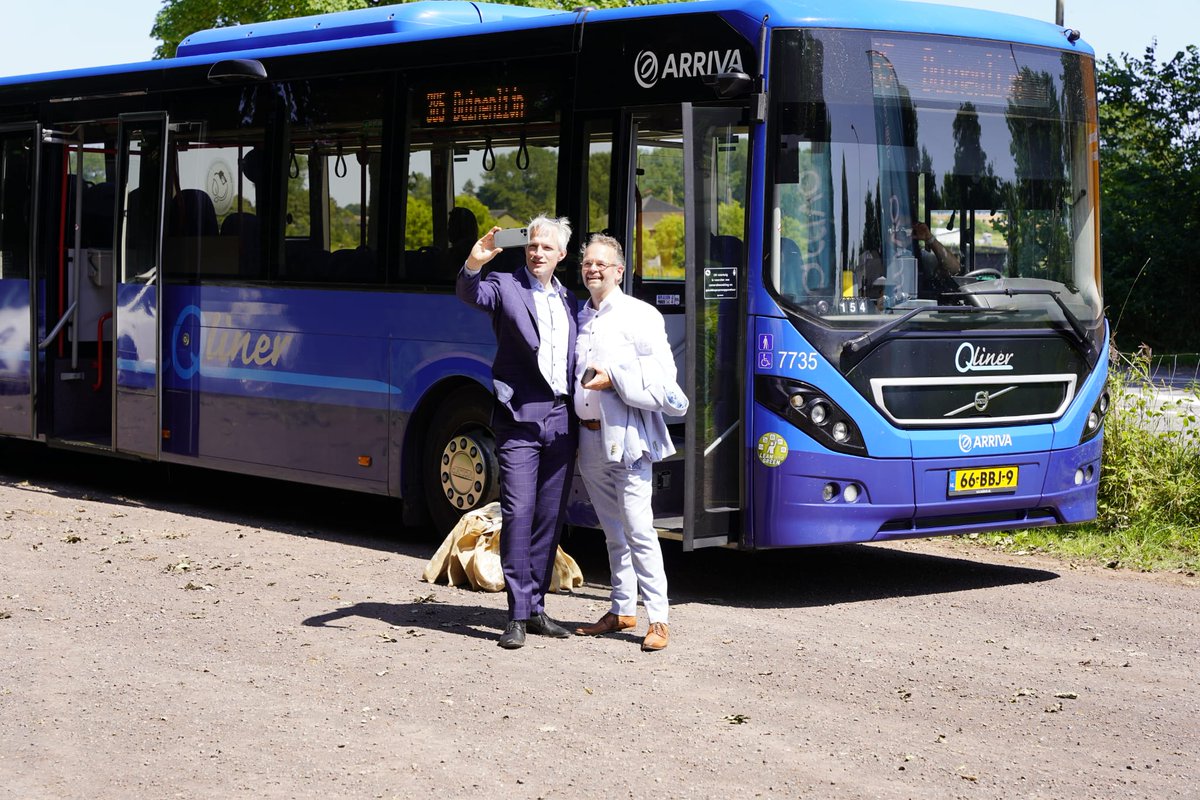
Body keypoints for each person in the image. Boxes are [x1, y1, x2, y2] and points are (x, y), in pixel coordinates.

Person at [456, 215, 579, 650]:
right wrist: (475, 262)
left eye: (547, 247)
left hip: (563, 421)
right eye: (532, 245)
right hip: (519, 418)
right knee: (520, 511)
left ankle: (538, 606)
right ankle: (516, 614)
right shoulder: (506, 285)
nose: (537, 252)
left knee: (549, 516)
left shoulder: (570, 299)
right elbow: (471, 292)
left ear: (561, 255)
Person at [571, 234, 688, 652]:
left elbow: (665, 382)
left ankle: (659, 618)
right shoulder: (578, 316)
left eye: (602, 263)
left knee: (640, 529)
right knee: (612, 531)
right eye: (587, 263)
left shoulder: (641, 315)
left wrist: (615, 378)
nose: (593, 269)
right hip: (587, 439)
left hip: (628, 439)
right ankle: (622, 609)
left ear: (619, 270)